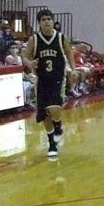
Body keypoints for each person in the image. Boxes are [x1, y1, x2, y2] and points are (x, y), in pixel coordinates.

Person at [21, 9, 70, 158]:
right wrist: (29, 63)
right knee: (44, 115)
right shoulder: (34, 40)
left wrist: (73, 69)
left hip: (57, 78)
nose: (47, 22)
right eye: (43, 20)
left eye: (49, 19)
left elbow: (69, 52)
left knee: (54, 107)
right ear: (39, 23)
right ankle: (52, 143)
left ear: (53, 21)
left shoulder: (61, 38)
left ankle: (58, 126)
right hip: (41, 80)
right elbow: (24, 56)